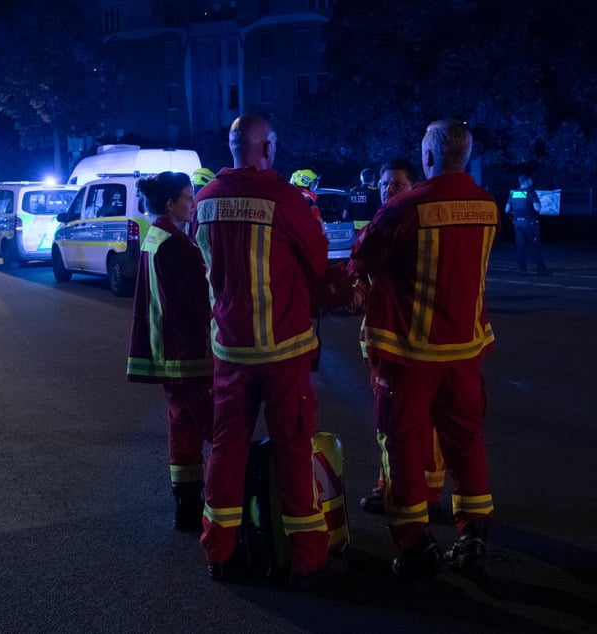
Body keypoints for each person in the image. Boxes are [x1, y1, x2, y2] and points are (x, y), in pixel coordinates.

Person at [350, 119, 498, 583]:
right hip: (465, 350)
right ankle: (473, 537)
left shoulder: (406, 207)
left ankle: (414, 544)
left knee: (404, 444)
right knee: (466, 442)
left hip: (410, 354)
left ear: (429, 157)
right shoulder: (487, 206)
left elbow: (363, 257)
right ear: (466, 158)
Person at [195, 114, 330, 588]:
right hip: (283, 348)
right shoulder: (283, 198)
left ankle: (219, 551)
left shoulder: (205, 200)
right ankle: (308, 560)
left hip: (230, 350)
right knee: (293, 449)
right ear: (267, 147)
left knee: (227, 448)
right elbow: (316, 260)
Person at [350, 159, 448, 522]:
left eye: (397, 184)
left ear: (414, 186)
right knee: (388, 420)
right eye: (384, 183)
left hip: (408, 339)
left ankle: (426, 489)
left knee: (417, 419)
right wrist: (355, 286)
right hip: (381, 336)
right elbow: (357, 268)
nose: (388, 190)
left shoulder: (412, 224)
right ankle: (390, 483)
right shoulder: (381, 222)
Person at [127, 171, 214, 533]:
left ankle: (187, 508)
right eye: (188, 197)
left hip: (169, 352)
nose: (193, 203)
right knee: (218, 428)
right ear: (170, 204)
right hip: (187, 352)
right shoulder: (175, 244)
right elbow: (197, 300)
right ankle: (223, 508)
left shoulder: (157, 236)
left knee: (183, 430)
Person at [506, 174, 549, 275]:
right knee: (535, 246)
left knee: (520, 247)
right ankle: (541, 269)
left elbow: (507, 209)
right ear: (525, 181)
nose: (532, 181)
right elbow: (537, 208)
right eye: (530, 180)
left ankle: (522, 269)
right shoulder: (531, 192)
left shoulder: (514, 193)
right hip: (530, 224)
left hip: (517, 224)